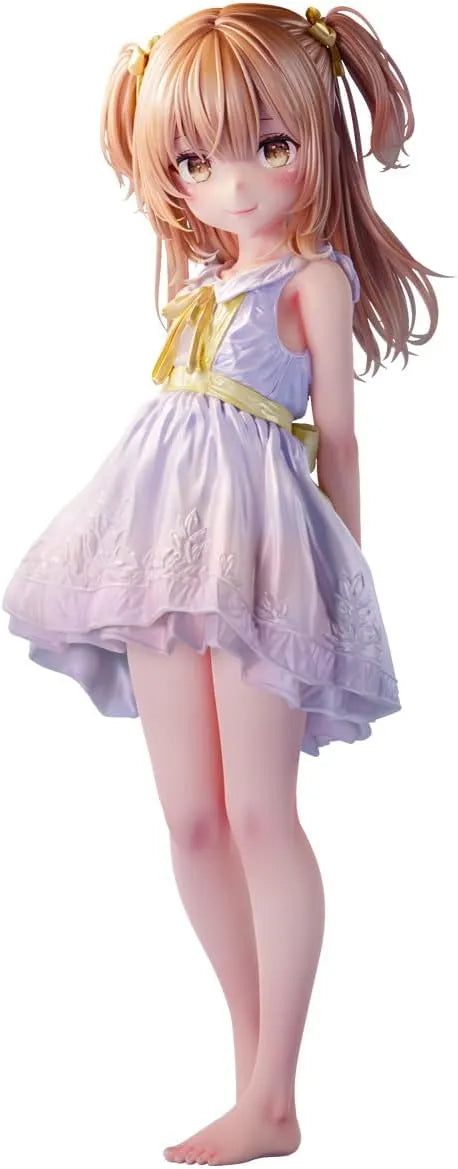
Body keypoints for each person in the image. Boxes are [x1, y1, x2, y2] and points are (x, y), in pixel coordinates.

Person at [1, 5, 446, 1164]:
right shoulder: (202, 280)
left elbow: (335, 440)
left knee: (257, 812)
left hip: (259, 554)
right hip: (159, 545)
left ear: (314, 143)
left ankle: (273, 1086)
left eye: (269, 147)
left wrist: (342, 577)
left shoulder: (313, 278)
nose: (232, 184)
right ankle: (254, 1080)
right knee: (191, 816)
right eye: (195, 161)